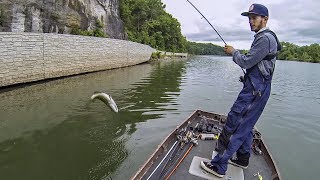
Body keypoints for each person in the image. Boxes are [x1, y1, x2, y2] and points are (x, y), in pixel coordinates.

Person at [200, 3, 281, 178]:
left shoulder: (264, 38)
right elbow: (260, 65)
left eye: (254, 18)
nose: (251, 21)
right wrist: (248, 78)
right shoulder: (265, 37)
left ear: (265, 19)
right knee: (247, 126)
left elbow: (245, 61)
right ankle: (243, 159)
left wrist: (233, 51)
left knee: (234, 124)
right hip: (257, 90)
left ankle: (219, 167)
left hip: (254, 93)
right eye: (249, 18)